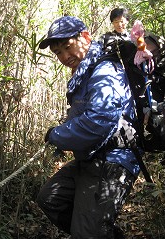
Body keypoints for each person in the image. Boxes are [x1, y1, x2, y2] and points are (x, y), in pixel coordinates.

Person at [36, 16, 141, 239]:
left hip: (111, 160)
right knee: (51, 199)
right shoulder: (85, 71)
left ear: (85, 37)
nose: (64, 57)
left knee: (86, 234)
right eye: (58, 53)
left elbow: (98, 121)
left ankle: (92, 230)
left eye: (67, 47)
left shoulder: (103, 70)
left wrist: (57, 135)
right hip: (91, 158)